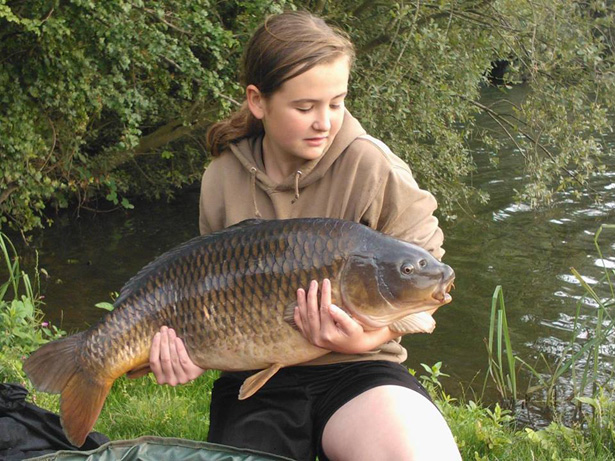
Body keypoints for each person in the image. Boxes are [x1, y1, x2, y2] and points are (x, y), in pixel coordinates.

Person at [147, 11, 461, 461]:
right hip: (257, 381)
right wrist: (189, 352)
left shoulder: (370, 166)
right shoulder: (221, 178)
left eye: (336, 103)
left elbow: (425, 270)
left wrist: (366, 339)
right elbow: (203, 294)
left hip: (358, 371)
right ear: (258, 101)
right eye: (305, 107)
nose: (324, 122)